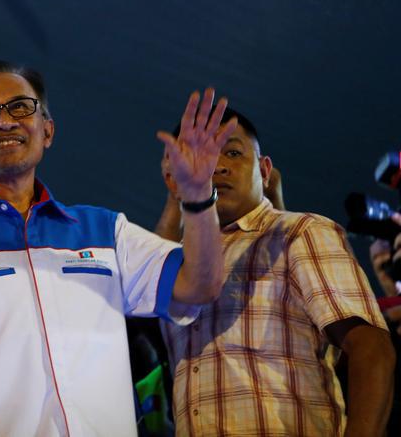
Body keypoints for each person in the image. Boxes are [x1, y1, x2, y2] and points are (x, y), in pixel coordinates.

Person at [0, 60, 237, 436]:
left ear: (48, 130)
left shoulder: (106, 230)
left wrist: (196, 197)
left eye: (20, 106)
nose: (4, 121)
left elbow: (200, 285)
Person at [159, 108, 395, 436]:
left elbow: (370, 346)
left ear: (264, 170)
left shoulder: (298, 232)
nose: (218, 166)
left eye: (233, 153)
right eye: (202, 158)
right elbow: (147, 289)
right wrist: (180, 193)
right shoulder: (179, 263)